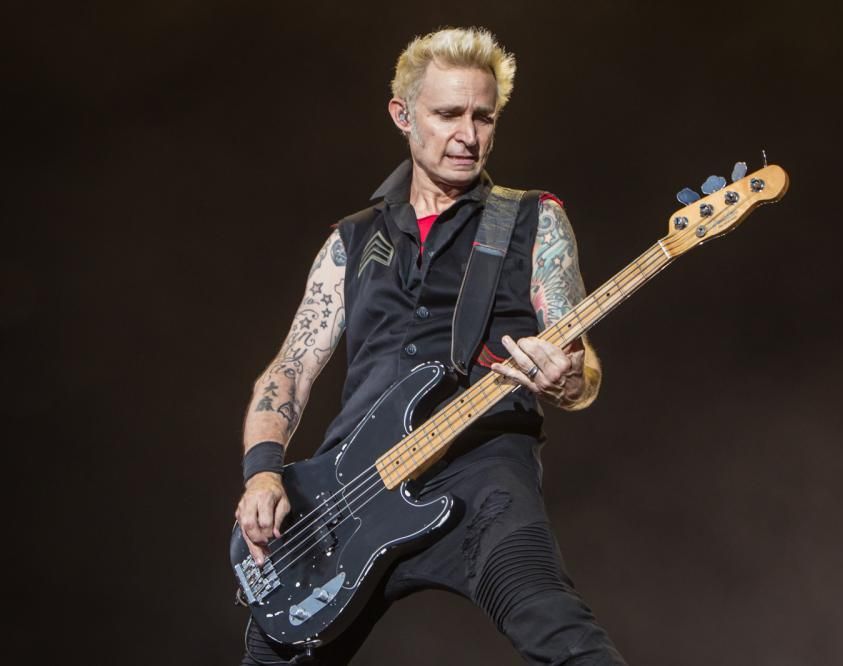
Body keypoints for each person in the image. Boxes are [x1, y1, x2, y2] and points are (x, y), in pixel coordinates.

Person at [235, 27, 627, 665]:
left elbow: (581, 374)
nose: (468, 135)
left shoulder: (532, 219)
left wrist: (566, 378)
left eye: (483, 117)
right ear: (403, 115)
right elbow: (292, 367)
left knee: (559, 631)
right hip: (349, 494)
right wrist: (261, 474)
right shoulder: (350, 240)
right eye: (448, 114)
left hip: (481, 471)